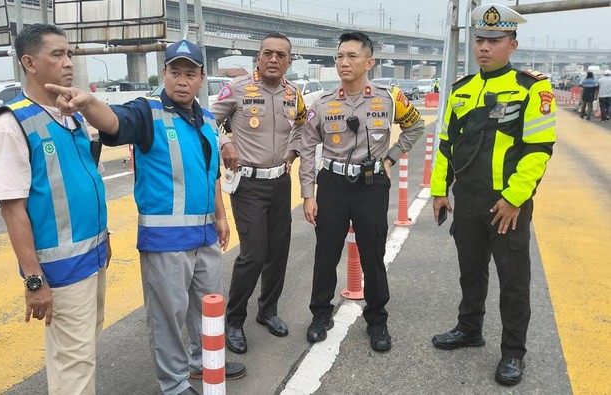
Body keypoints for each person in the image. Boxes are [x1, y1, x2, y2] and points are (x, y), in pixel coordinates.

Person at [44, 39, 245, 395]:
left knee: (206, 306)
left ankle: (205, 363)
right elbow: (114, 122)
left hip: (206, 236)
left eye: (190, 74)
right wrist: (89, 103)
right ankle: (174, 383)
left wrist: (220, 214)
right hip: (166, 242)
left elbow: (210, 170)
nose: (182, 81)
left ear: (201, 79)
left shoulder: (207, 118)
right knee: (167, 317)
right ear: (164, 73)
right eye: (174, 72)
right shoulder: (146, 113)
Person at [0, 24, 110, 394]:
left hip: (92, 256)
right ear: (29, 62)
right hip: (60, 270)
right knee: (75, 363)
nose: (68, 63)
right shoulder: (11, 125)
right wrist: (34, 281)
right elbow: (12, 210)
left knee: (80, 354)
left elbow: (87, 184)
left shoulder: (71, 115)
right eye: (57, 54)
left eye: (69, 54)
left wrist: (105, 238)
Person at [430, 4, 556, 387]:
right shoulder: (462, 89)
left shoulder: (533, 88)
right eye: (480, 40)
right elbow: (447, 144)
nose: (484, 47)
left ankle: (513, 353)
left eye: (494, 40)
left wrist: (515, 198)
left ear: (512, 44)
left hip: (507, 204)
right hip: (467, 199)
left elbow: (539, 150)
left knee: (514, 280)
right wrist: (440, 191)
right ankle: (469, 329)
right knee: (471, 271)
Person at [299, 31, 424, 352]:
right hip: (333, 184)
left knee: (372, 252)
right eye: (340, 56)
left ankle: (377, 318)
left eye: (352, 56)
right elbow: (307, 145)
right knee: (326, 252)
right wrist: (308, 194)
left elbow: (416, 126)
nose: (344, 62)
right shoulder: (323, 103)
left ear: (369, 62)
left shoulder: (389, 98)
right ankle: (321, 313)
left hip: (371, 185)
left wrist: (392, 157)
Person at [210, 32, 306, 354]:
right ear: (258, 58)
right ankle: (234, 320)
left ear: (289, 61)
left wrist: (293, 151)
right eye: (268, 53)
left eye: (281, 54)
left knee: (278, 251)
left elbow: (302, 128)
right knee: (253, 254)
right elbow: (207, 119)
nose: (274, 59)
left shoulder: (294, 94)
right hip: (248, 185)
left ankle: (268, 310)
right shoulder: (237, 89)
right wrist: (225, 142)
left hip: (281, 183)